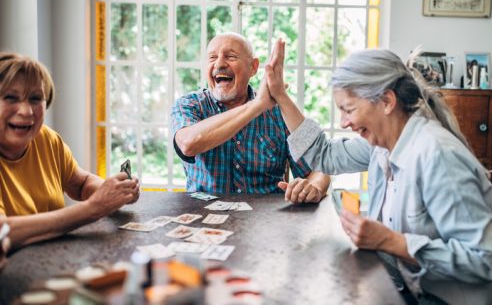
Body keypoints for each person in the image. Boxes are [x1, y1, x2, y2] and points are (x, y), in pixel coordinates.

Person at [260, 44, 492, 304]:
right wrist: (281, 96)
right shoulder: (382, 145)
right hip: (414, 288)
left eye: (349, 110)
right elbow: (324, 155)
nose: (343, 123)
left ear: (387, 101)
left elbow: (486, 260)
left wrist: (390, 241)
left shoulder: (438, 156)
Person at [0, 52, 140, 250]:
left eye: (35, 98)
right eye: (11, 98)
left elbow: (81, 184)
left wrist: (113, 192)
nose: (26, 111)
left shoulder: (46, 139)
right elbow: (4, 232)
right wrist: (94, 208)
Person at [171, 33, 330, 203]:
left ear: (253, 67)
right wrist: (257, 106)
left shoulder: (280, 112)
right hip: (203, 218)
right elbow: (188, 144)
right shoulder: (189, 105)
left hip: (266, 220)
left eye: (230, 56)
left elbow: (319, 168)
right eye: (212, 57)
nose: (219, 63)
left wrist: (314, 187)